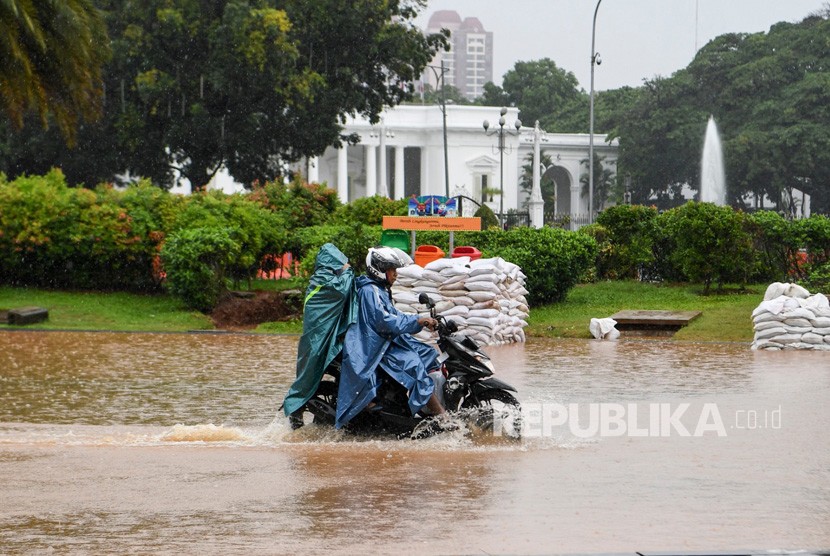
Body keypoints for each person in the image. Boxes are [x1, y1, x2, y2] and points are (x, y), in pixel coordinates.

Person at [335, 247, 445, 429]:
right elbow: (386, 321)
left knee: (427, 353)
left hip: (384, 340)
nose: (395, 274)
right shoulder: (370, 291)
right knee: (414, 367)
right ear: (379, 269)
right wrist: (418, 321)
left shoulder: (379, 290)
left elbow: (394, 314)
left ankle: (418, 404)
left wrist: (418, 318)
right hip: (373, 345)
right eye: (392, 270)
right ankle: (440, 416)